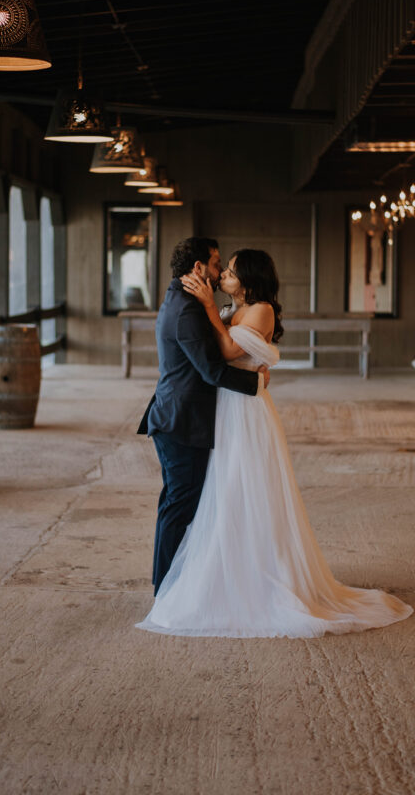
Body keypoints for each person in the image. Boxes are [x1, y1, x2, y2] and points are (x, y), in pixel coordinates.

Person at [136, 248, 413, 637]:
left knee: (248, 492)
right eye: (223, 269)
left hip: (247, 414)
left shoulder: (260, 309)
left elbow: (230, 350)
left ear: (248, 279)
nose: (223, 278)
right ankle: (224, 575)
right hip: (229, 408)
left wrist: (210, 311)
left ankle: (263, 580)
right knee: (227, 493)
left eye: (230, 272)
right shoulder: (230, 308)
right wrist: (218, 318)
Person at [137, 237, 270, 594]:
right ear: (198, 268)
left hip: (185, 418)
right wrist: (257, 383)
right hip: (181, 421)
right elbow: (212, 371)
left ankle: (171, 582)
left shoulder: (184, 300)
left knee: (180, 503)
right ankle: (165, 589)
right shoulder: (188, 310)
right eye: (216, 265)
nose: (219, 271)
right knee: (179, 506)